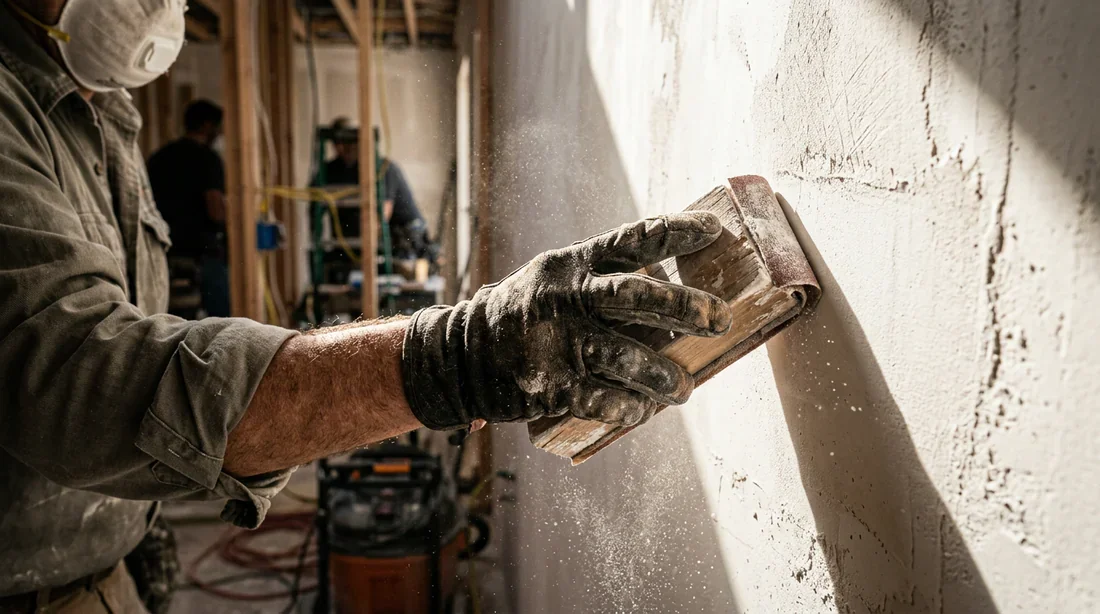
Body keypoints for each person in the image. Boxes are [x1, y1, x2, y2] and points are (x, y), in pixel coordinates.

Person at [0, 1, 733, 613]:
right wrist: (454, 360)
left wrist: (141, 530)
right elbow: (72, 383)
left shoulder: (103, 113)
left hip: (106, 571)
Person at [147, 99, 230, 317]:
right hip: (202, 254)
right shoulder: (208, 159)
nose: (220, 133)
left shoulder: (159, 158)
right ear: (206, 125)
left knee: (176, 321)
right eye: (218, 127)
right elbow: (215, 208)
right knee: (219, 325)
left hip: (164, 253)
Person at [313, 118, 434, 261]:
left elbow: (381, 216)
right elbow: (313, 206)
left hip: (402, 246)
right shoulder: (333, 170)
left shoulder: (384, 169)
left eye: (347, 143)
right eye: (337, 143)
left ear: (359, 143)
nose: (342, 148)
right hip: (358, 248)